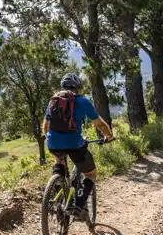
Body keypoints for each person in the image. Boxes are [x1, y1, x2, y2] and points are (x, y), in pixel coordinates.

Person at [43, 73, 114, 220]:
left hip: (53, 143)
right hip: (74, 144)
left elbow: (45, 127)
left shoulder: (53, 101)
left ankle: (58, 193)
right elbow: (100, 124)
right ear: (77, 88)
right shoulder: (82, 102)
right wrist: (109, 136)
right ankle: (78, 205)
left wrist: (52, 139)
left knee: (59, 160)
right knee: (90, 174)